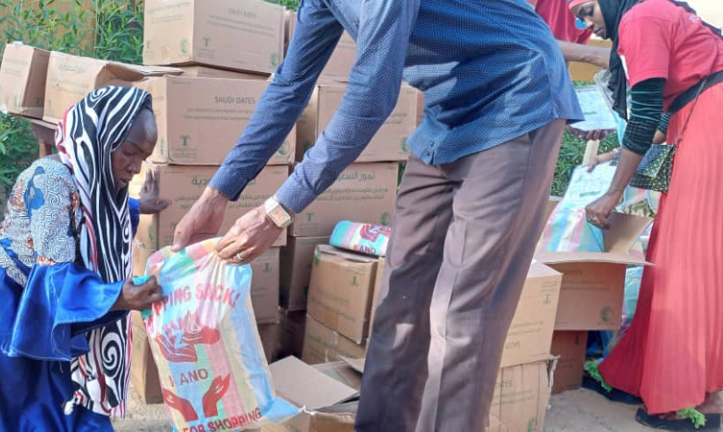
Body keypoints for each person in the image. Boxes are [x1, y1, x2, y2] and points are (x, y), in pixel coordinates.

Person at [171, 0, 582, 430]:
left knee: (461, 316)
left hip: (517, 99)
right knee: (399, 304)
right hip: (448, 116)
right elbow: (289, 85)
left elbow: (372, 94)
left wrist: (277, 211)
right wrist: (217, 194)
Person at [0, 86, 168, 431]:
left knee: (55, 395)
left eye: (144, 156)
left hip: (48, 298)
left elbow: (94, 215)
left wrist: (139, 206)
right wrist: (116, 296)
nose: (136, 168)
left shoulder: (98, 180)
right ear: (102, 137)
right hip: (8, 297)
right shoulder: (49, 181)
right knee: (0, 397)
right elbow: (54, 277)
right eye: (129, 152)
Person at [572, 0, 723, 428]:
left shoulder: (641, 18)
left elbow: (642, 119)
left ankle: (696, 398)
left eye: (585, 10)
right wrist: (610, 157)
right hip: (698, 118)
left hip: (712, 124)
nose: (586, 24)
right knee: (663, 254)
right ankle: (638, 376)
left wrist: (611, 194)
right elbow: (658, 123)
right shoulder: (649, 16)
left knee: (684, 264)